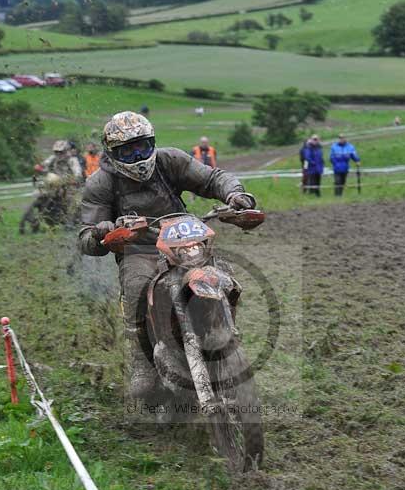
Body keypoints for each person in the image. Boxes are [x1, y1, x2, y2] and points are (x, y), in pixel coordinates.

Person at [78, 111, 256, 399]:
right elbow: (85, 238)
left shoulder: (170, 160)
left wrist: (235, 195)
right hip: (139, 249)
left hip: (184, 240)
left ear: (153, 143)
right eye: (128, 150)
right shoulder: (101, 183)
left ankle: (224, 329)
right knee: (136, 286)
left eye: (143, 146)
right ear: (113, 153)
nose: (138, 156)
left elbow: (212, 178)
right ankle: (142, 361)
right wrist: (103, 232)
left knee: (223, 276)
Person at [19, 140, 83, 234]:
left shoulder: (72, 160)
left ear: (66, 151)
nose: (58, 154)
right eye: (56, 152)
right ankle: (33, 216)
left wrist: (74, 179)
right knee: (38, 193)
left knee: (70, 199)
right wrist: (39, 167)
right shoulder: (53, 158)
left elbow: (78, 173)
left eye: (60, 152)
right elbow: (45, 164)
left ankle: (70, 222)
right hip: (52, 183)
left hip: (67, 184)